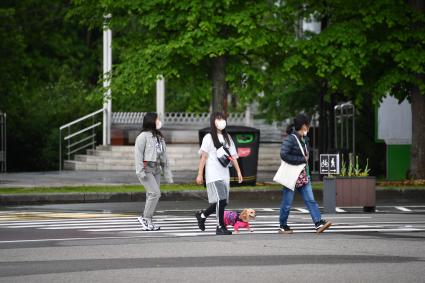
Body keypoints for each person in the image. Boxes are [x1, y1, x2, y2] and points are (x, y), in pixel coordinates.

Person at [279, 113, 332, 234]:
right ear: (304, 126)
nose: (309, 127)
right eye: (308, 125)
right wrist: (301, 160)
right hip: (291, 175)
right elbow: (284, 154)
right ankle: (283, 225)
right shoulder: (291, 139)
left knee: (311, 200)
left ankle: (318, 223)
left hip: (303, 175)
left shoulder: (304, 139)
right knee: (287, 203)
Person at [195, 112, 243, 235]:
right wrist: (200, 174)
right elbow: (203, 157)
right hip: (213, 174)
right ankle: (220, 226)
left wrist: (238, 172)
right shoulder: (208, 137)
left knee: (222, 202)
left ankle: (202, 215)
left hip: (224, 174)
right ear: (213, 121)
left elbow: (233, 157)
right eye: (218, 118)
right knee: (221, 200)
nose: (221, 121)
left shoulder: (228, 138)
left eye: (222, 118)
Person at [135, 112, 173, 231]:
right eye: (157, 119)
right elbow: (138, 155)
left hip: (156, 169)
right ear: (151, 121)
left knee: (151, 195)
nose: (159, 121)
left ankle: (149, 221)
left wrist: (168, 175)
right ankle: (145, 218)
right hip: (146, 169)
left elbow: (164, 157)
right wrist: (140, 171)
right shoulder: (142, 136)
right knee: (155, 193)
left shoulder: (159, 137)